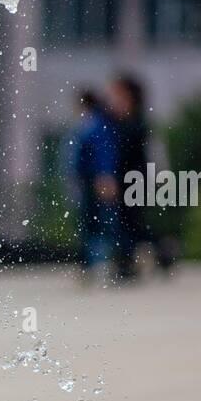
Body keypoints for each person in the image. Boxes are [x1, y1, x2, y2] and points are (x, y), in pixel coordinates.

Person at [108, 74, 174, 278]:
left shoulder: (136, 122)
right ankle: (158, 253)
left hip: (135, 180)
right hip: (125, 178)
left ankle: (130, 263)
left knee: (130, 223)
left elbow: (134, 154)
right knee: (130, 224)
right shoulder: (117, 120)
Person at [69, 90, 120, 280]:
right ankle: (92, 263)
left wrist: (105, 176)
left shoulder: (95, 125)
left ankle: (103, 263)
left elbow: (103, 152)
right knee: (92, 222)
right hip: (88, 180)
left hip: (95, 181)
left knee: (98, 222)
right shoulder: (91, 123)